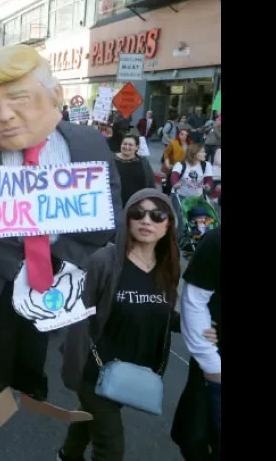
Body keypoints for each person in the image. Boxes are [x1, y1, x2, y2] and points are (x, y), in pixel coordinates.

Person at [0, 44, 123, 439]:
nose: (4, 115)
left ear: (54, 95)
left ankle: (32, 384)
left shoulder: (90, 145)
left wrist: (57, 262)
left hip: (63, 272)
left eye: (19, 98)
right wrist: (19, 266)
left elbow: (107, 209)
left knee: (40, 335)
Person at [59, 189, 214, 461]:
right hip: (95, 370)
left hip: (132, 371)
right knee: (110, 448)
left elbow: (162, 313)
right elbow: (77, 318)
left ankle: (67, 455)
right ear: (126, 220)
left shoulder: (168, 267)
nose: (147, 221)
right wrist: (77, 367)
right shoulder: (104, 262)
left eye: (157, 215)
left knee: (89, 419)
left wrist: (200, 326)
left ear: (168, 225)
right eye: (137, 213)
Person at [173, 225, 221, 460]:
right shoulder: (216, 242)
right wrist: (212, 366)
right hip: (213, 365)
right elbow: (194, 302)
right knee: (193, 437)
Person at [115, 134, 157, 206]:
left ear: (136, 147)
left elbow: (151, 181)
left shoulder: (143, 162)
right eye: (124, 144)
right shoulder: (111, 160)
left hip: (137, 203)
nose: (127, 147)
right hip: (116, 202)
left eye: (130, 145)